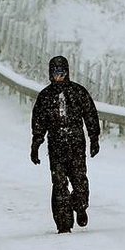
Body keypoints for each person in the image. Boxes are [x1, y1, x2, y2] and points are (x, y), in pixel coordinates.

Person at [30, 55, 101, 234]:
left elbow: (90, 114)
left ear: (67, 73)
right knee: (59, 184)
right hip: (56, 145)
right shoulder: (45, 96)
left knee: (79, 181)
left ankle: (80, 206)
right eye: (55, 73)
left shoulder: (78, 92)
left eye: (61, 73)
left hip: (76, 143)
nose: (58, 76)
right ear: (50, 74)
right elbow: (39, 121)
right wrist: (36, 143)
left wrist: (94, 138)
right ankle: (63, 222)